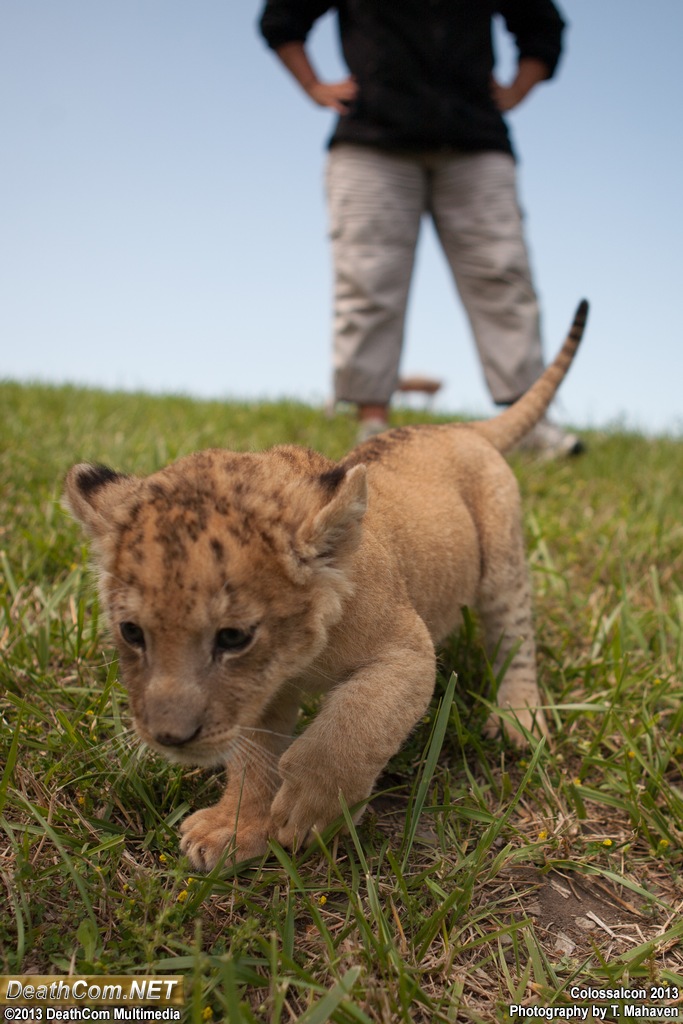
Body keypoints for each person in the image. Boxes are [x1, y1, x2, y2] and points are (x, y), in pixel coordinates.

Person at [259, 0, 583, 456]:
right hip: (371, 141)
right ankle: (370, 422)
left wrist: (515, 90)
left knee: (503, 276)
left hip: (475, 140)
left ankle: (526, 422)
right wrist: (313, 84)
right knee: (368, 278)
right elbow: (281, 19)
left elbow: (542, 25)